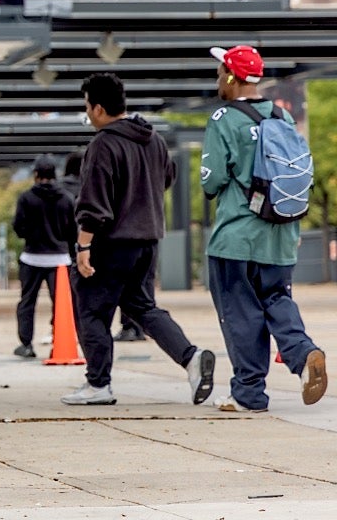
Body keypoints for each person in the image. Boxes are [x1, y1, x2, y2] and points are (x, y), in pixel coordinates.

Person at [63, 72, 214, 407]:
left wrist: (84, 246)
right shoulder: (153, 140)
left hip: (110, 243)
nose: (88, 114)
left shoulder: (103, 143)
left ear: (99, 108)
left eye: (88, 107)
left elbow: (94, 202)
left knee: (91, 311)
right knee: (143, 307)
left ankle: (98, 385)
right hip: (147, 242)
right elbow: (168, 177)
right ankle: (191, 358)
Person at [201, 45, 328, 412]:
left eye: (219, 72)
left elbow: (212, 181)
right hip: (281, 234)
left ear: (230, 77)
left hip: (237, 238)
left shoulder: (223, 118)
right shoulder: (282, 117)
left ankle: (249, 393)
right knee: (277, 300)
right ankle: (304, 354)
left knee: (240, 311)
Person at [10, 155, 75, 359]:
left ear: (36, 175)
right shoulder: (66, 198)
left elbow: (18, 227)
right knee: (61, 303)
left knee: (27, 302)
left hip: (32, 257)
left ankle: (26, 344)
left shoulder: (26, 198)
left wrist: (31, 235)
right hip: (60, 259)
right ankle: (60, 339)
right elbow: (73, 230)